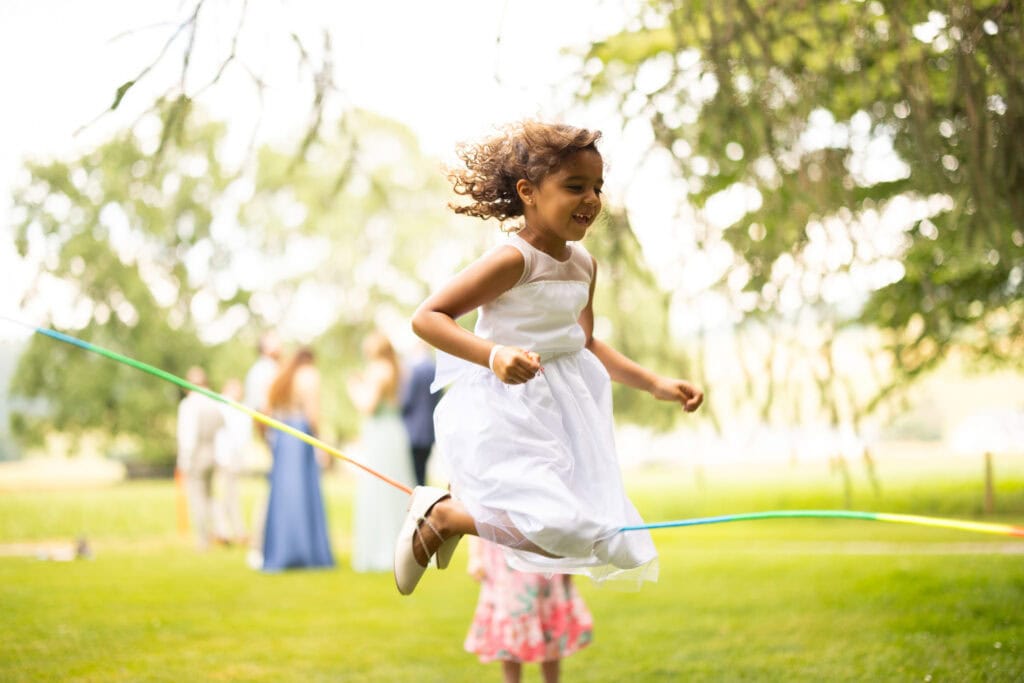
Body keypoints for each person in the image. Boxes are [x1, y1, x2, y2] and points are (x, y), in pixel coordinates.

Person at [394, 121, 704, 595]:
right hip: (511, 406)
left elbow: (585, 343)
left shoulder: (584, 264)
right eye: (575, 186)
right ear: (529, 192)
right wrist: (494, 354)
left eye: (597, 187)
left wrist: (654, 384)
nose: (591, 199)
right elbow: (428, 317)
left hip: (567, 410)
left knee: (591, 533)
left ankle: (449, 517)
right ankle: (445, 515)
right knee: (560, 526)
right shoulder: (513, 260)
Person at [465, 537, 593, 683]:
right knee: (510, 632)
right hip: (503, 565)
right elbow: (476, 517)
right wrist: (475, 556)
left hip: (542, 558)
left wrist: (567, 558)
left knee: (550, 626)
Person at [347, 331, 417, 572]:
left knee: (379, 489)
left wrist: (354, 387)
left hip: (381, 435)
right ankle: (403, 548)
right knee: (392, 489)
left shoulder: (379, 369)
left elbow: (367, 406)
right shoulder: (397, 368)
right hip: (391, 431)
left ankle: (382, 551)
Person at [260, 347, 335, 571]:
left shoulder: (284, 375)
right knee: (302, 491)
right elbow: (313, 415)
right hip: (300, 435)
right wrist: (321, 443)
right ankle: (305, 552)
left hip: (283, 435)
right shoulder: (309, 375)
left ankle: (282, 552)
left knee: (284, 492)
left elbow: (266, 411)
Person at [243, 331, 282, 568]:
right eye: (273, 340)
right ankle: (258, 546)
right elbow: (260, 410)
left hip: (279, 438)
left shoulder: (273, 369)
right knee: (271, 493)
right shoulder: (263, 370)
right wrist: (269, 439)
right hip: (274, 438)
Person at [176, 366, 225, 551]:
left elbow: (187, 437)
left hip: (197, 455)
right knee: (210, 496)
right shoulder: (214, 401)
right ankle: (220, 530)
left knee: (198, 498)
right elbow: (222, 428)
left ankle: (204, 540)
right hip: (213, 454)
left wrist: (184, 462)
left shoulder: (189, 405)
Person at [400, 342, 442, 486]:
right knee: (422, 473)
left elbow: (406, 401)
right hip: (429, 431)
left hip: (412, 431)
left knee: (412, 474)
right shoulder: (435, 370)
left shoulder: (413, 371)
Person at [213, 378, 249, 545]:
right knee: (225, 497)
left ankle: (235, 531)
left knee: (231, 496)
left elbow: (241, 438)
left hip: (233, 459)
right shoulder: (222, 406)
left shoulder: (239, 408)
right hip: (225, 458)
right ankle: (224, 531)